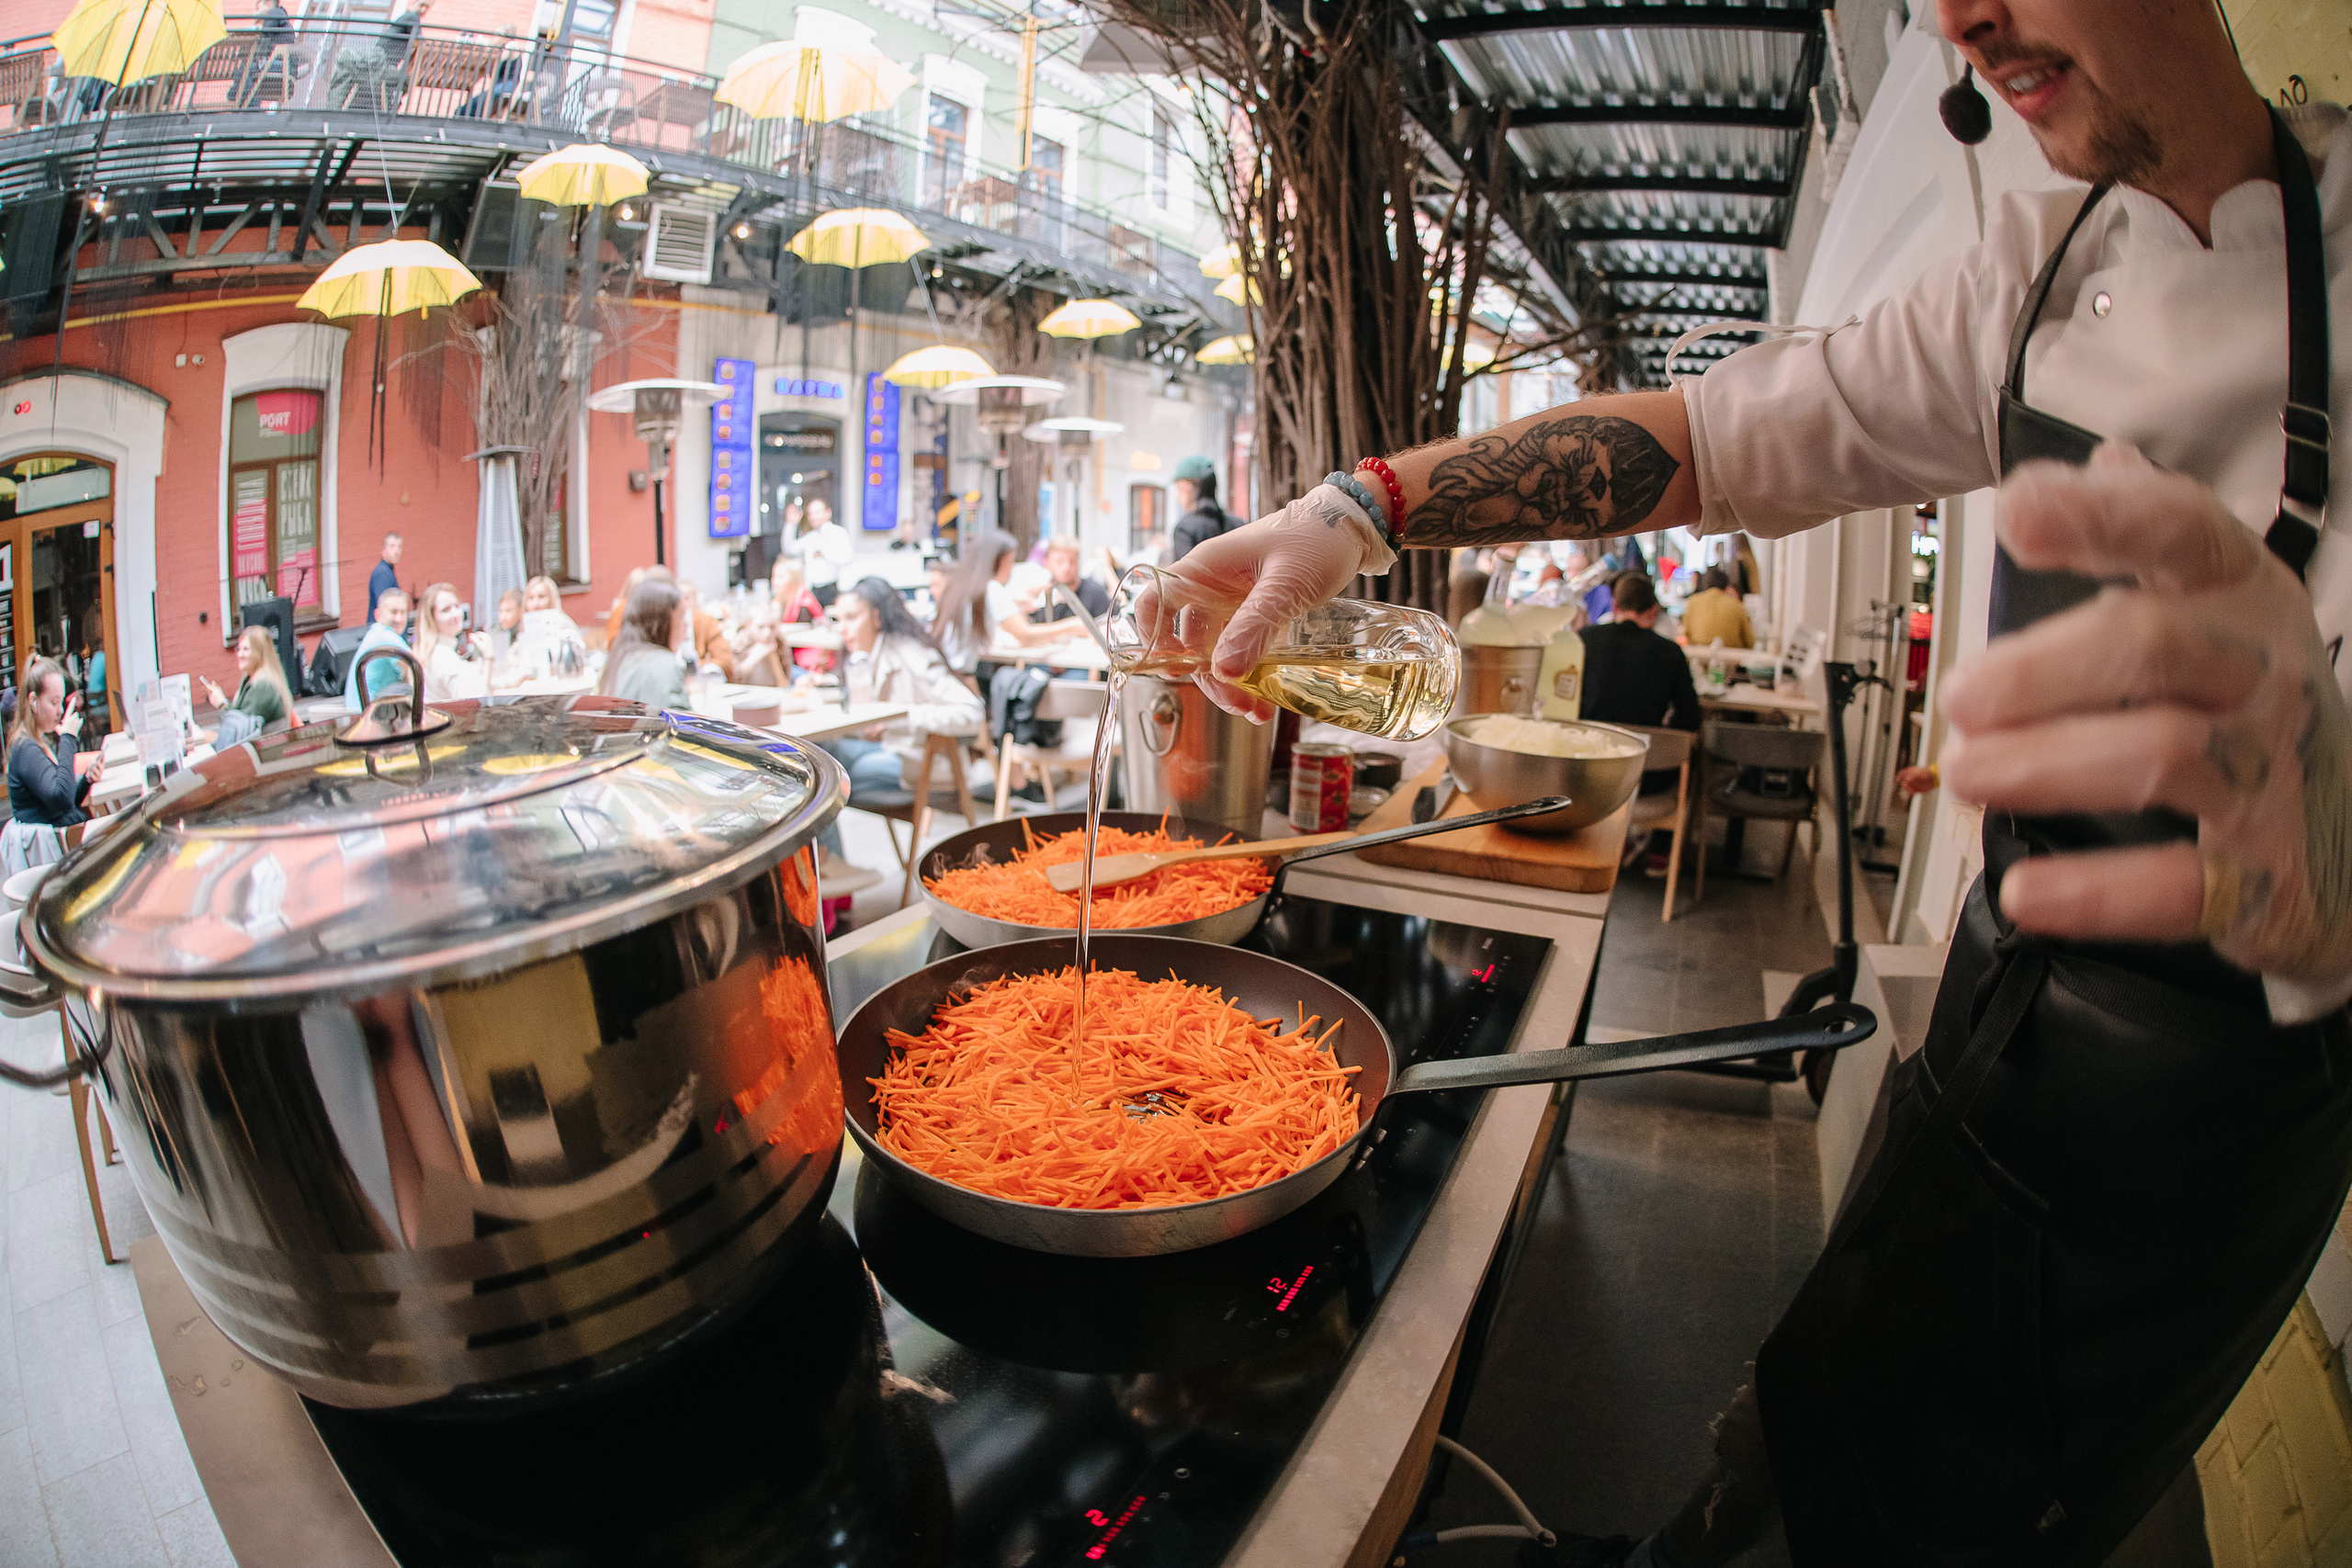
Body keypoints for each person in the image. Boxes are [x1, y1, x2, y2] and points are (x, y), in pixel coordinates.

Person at [1165, 6, 2351, 1561]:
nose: (1957, 19)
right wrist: (1362, 504)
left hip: (2206, 1124)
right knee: (1810, 1431)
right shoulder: (2040, 278)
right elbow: (1708, 440)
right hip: (1997, 1026)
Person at [810, 577, 984, 886]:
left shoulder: (910, 655)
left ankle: (827, 862)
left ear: (876, 617)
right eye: (839, 619)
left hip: (921, 761)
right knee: (813, 754)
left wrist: (901, 718)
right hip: (886, 752)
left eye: (852, 618)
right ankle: (828, 863)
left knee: (823, 774)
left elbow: (971, 711)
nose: (843, 629)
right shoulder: (862, 659)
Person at [7, 657, 97, 829]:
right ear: (33, 701)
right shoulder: (25, 748)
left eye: (61, 701)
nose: (60, 710)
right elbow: (61, 800)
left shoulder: (35, 741)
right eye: (54, 702)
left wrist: (87, 780)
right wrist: (68, 737)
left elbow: (64, 803)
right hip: (57, 849)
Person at [597, 576, 686, 708]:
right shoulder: (665, 666)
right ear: (663, 624)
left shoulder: (618, 659)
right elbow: (684, 724)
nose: (685, 629)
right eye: (680, 621)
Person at [198, 626, 293, 744]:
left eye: (246, 649)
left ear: (259, 652)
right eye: (238, 649)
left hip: (266, 757)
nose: (240, 654)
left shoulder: (263, 687)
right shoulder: (252, 681)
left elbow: (237, 734)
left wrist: (222, 704)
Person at [413, 581, 488, 705]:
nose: (456, 614)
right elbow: (471, 704)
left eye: (457, 606)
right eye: (445, 610)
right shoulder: (443, 656)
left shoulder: (430, 651)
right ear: (432, 618)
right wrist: (488, 657)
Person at [344, 587, 412, 712]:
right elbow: (417, 666)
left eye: (403, 613)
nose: (399, 618)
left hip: (362, 715)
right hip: (367, 718)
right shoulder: (384, 635)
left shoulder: (375, 633)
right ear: (378, 615)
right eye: (393, 612)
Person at [1166, 456, 1238, 562]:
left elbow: (1183, 576)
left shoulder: (1185, 529)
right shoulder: (1237, 525)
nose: (1178, 497)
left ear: (1185, 486)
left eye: (1178, 488)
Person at [790, 497, 855, 608]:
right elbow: (790, 549)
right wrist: (791, 525)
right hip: (813, 589)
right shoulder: (810, 537)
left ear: (828, 513)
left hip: (832, 588)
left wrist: (825, 554)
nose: (813, 517)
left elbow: (847, 558)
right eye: (810, 514)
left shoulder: (838, 533)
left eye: (817, 512)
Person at [673, 577, 737, 680]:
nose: (682, 604)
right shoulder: (665, 622)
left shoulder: (705, 621)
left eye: (686, 598)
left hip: (701, 682)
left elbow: (726, 660)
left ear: (695, 600)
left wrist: (697, 667)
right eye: (677, 599)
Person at [1678, 566, 1754, 649]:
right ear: (1727, 587)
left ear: (1705, 585)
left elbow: (1687, 635)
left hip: (1698, 657)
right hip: (1731, 658)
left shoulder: (1692, 602)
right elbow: (1749, 642)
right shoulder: (1737, 605)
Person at [366, 533, 403, 622]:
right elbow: (385, 606)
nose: (396, 551)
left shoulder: (387, 571)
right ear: (383, 551)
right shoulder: (382, 573)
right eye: (392, 546)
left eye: (399, 547)